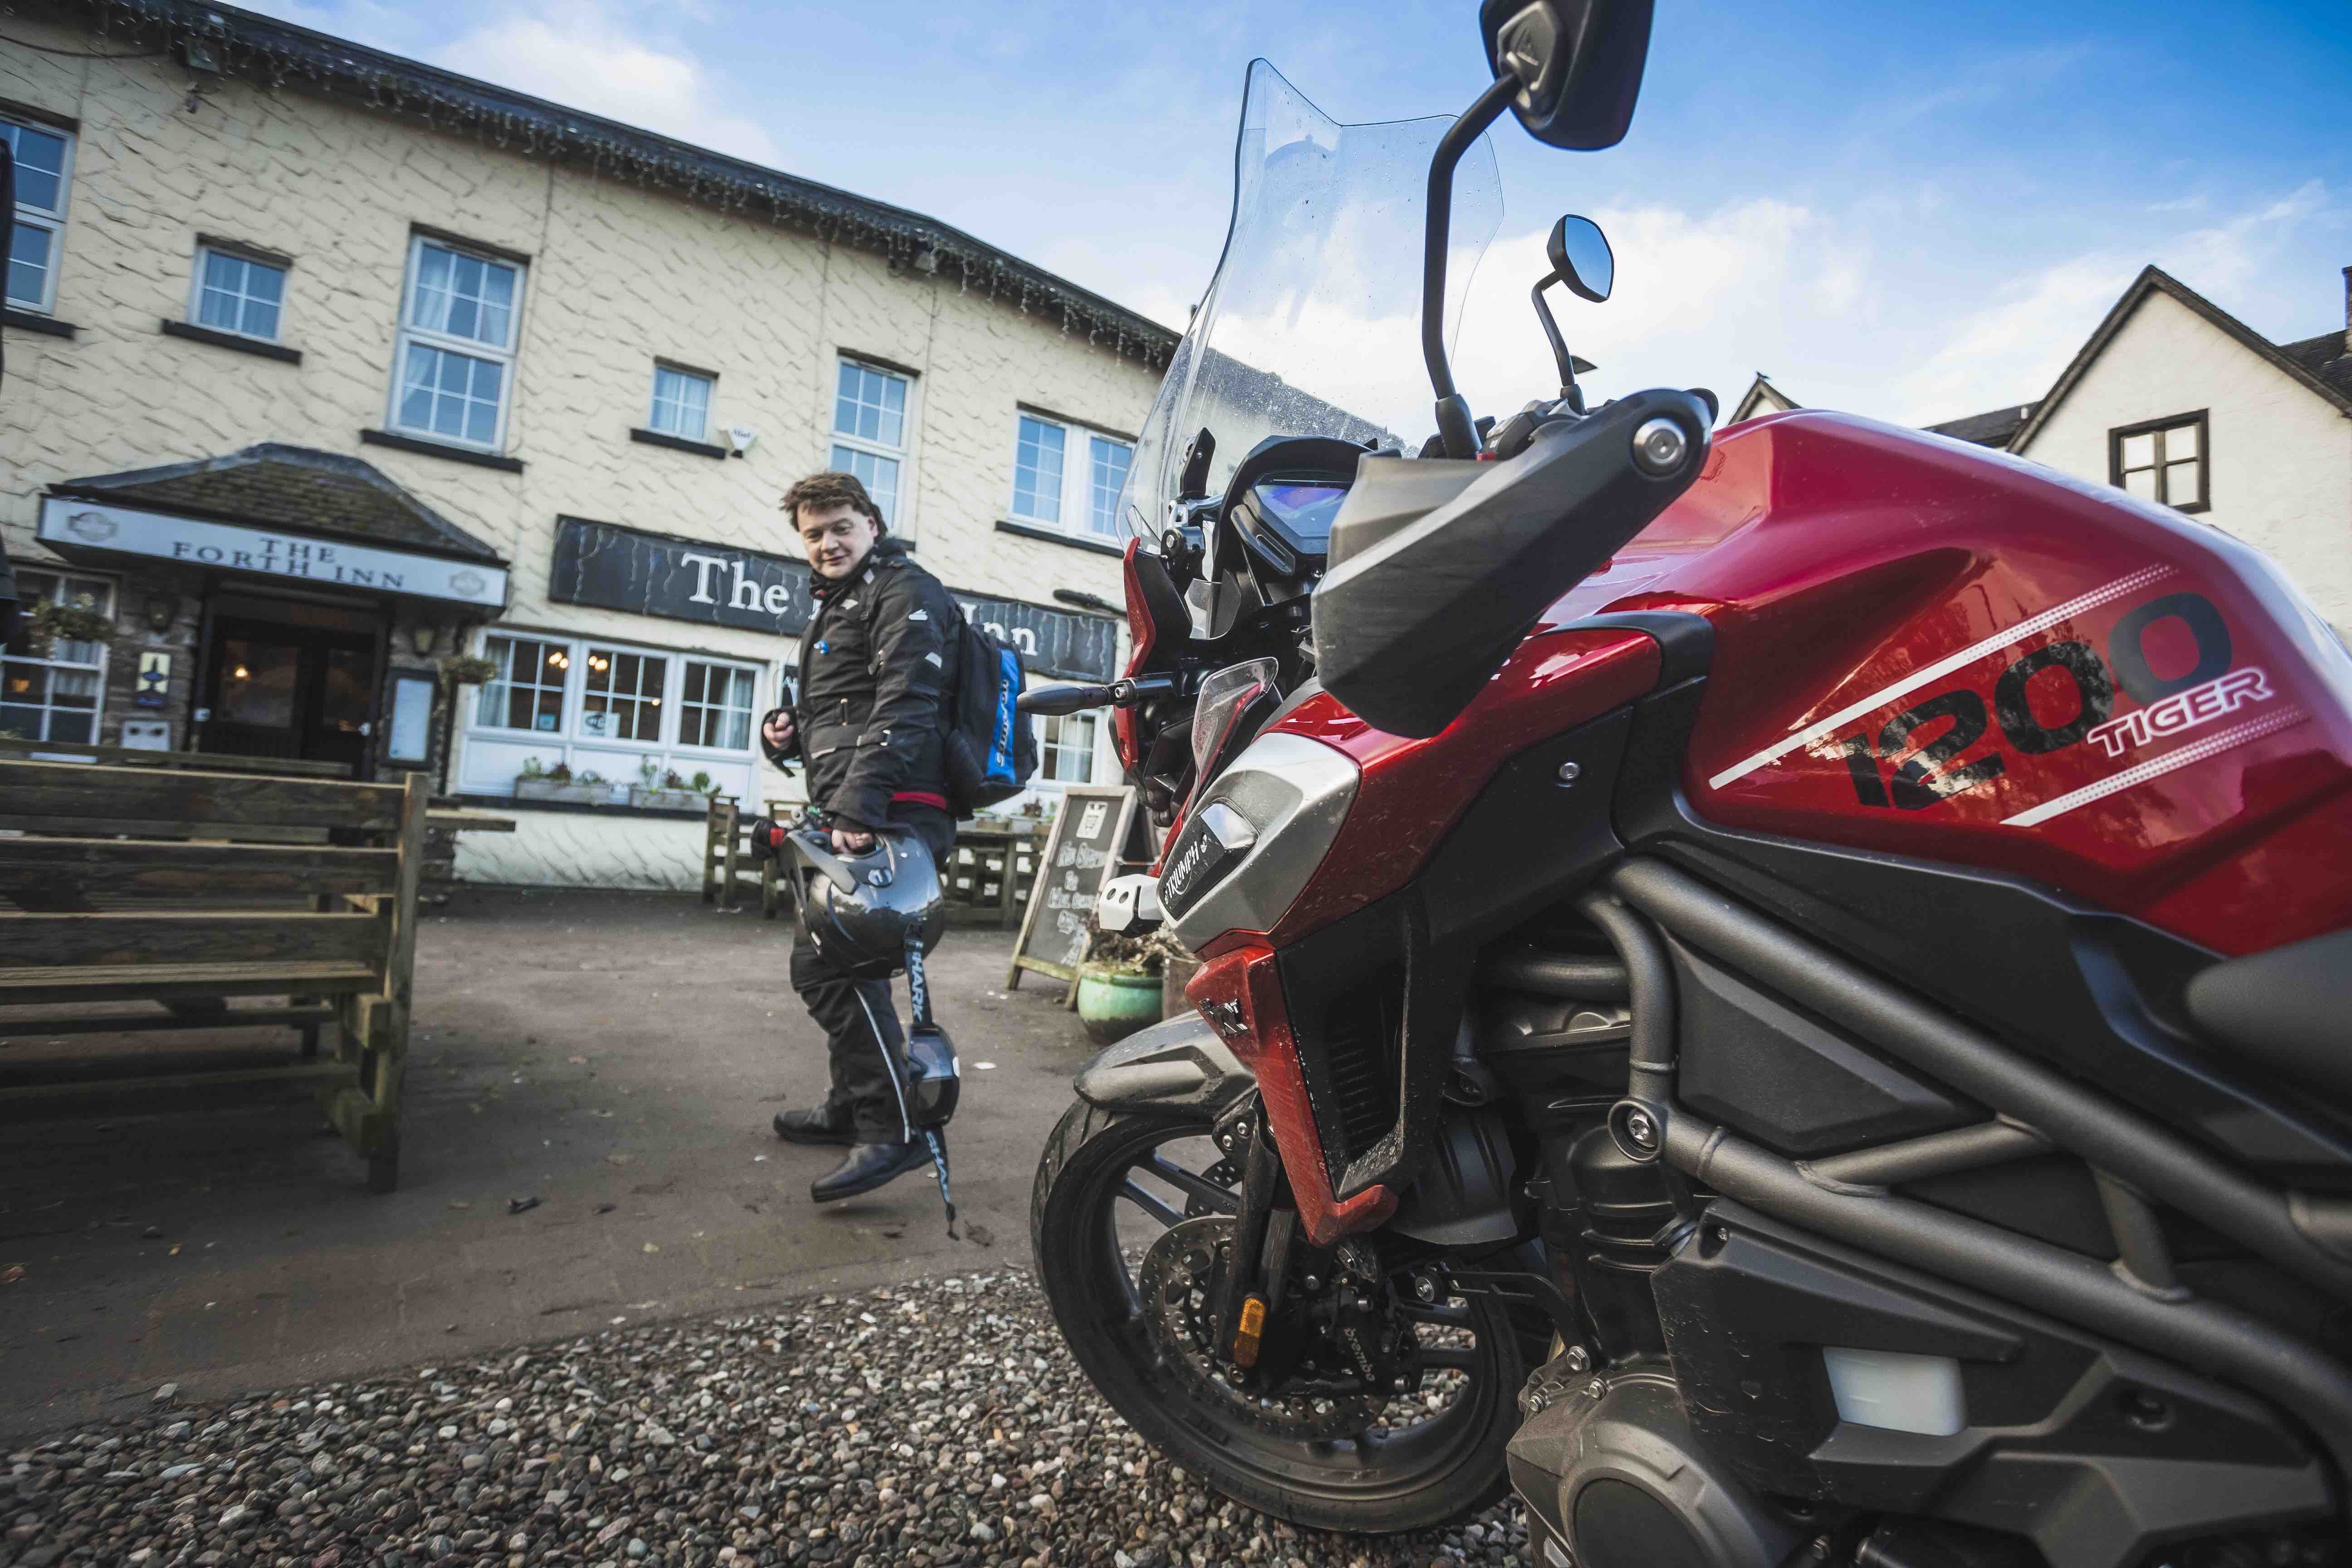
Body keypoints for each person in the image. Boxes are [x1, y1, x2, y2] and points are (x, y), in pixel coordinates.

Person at [759, 470, 961, 1202]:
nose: (827, 543)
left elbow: (908, 704)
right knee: (844, 967)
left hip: (891, 814)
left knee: (831, 971)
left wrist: (857, 811)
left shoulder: (904, 589)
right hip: (859, 808)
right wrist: (785, 733)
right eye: (813, 534)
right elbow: (845, 714)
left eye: (840, 526)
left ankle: (890, 1128)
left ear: (872, 523)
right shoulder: (841, 602)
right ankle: (857, 1108)